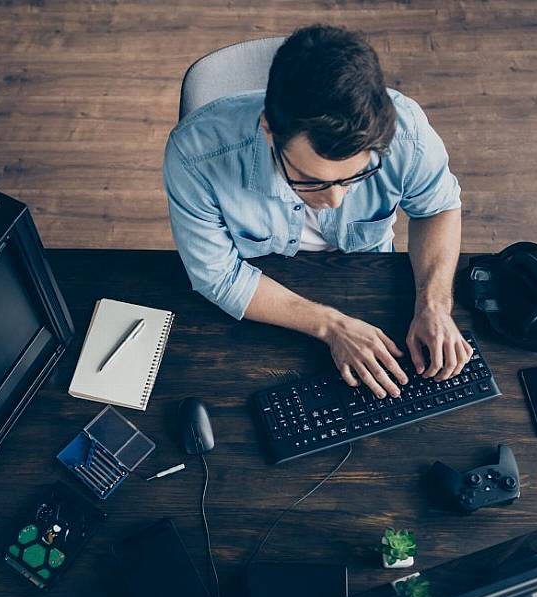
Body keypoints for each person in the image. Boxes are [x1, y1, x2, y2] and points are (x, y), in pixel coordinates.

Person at [164, 24, 471, 400]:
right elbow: (219, 276)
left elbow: (437, 208)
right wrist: (332, 326)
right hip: (263, 290)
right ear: (269, 131)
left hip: (368, 274)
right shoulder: (195, 153)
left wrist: (434, 304)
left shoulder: (408, 133)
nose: (336, 200)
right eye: (312, 181)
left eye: (356, 176)